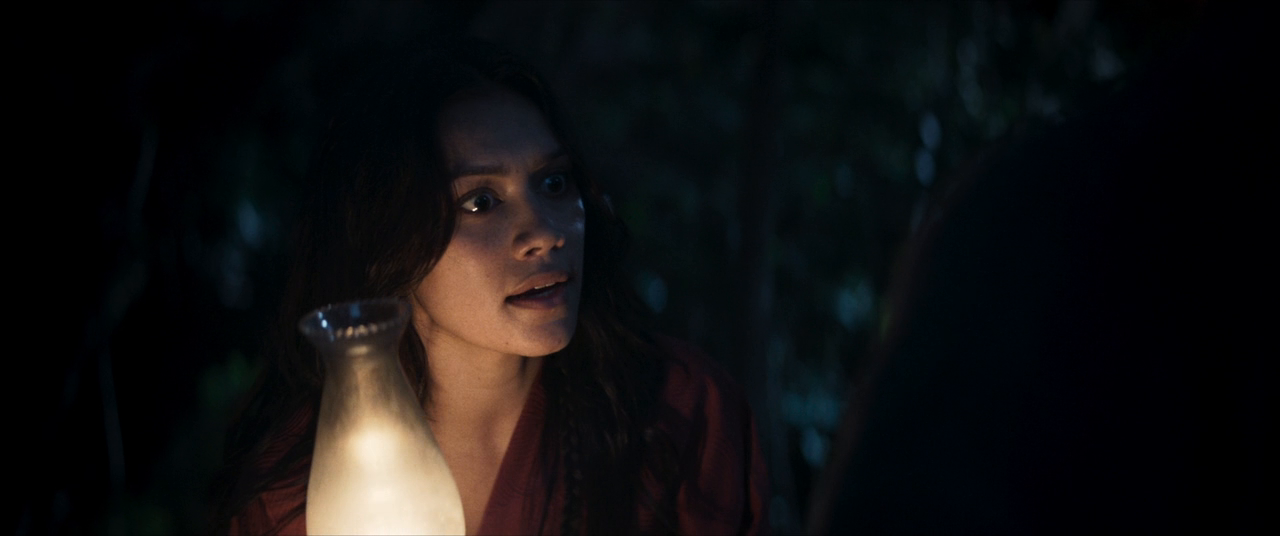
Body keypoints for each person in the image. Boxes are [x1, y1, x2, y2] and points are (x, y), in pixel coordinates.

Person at [210, 38, 768, 535]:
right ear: (387, 240)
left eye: (553, 182)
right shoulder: (308, 492)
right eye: (481, 202)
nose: (545, 234)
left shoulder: (681, 414)